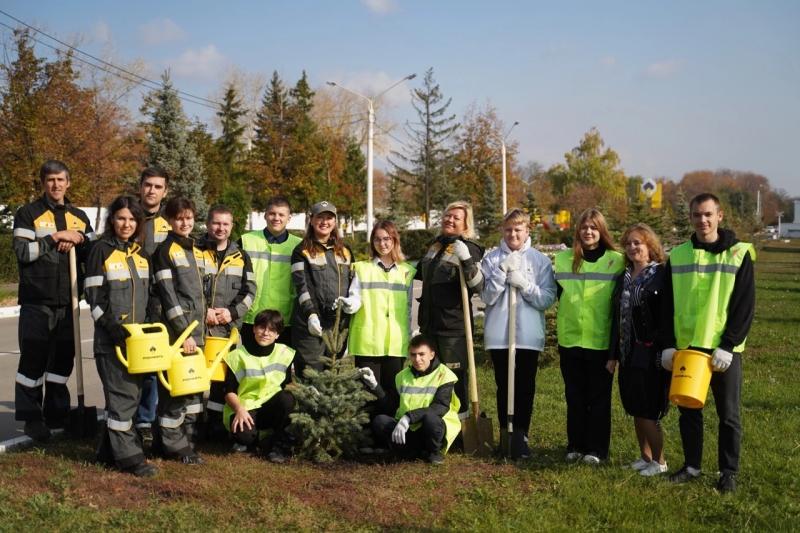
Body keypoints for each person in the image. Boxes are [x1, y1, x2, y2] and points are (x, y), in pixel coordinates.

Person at [660, 193, 755, 493]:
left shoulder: (739, 254)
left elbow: (744, 305)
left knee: (728, 414)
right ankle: (691, 466)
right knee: (689, 411)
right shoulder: (678, 256)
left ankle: (728, 471)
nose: (703, 220)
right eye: (697, 215)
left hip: (723, 350)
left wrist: (729, 344)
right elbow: (666, 304)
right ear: (690, 218)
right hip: (688, 348)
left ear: (719, 216)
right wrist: (667, 344)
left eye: (708, 214)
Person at [12, 160, 95, 442]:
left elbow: (94, 253)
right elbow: (23, 252)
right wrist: (55, 237)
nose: (56, 185)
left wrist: (80, 237)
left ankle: (56, 415)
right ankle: (31, 419)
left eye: (61, 180)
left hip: (68, 302)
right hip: (37, 301)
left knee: (61, 365)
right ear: (43, 183)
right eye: (50, 180)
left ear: (68, 183)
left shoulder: (80, 216)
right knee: (32, 363)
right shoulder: (28, 214)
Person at [85, 196, 157, 477]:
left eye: (132, 219)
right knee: (123, 399)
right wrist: (114, 330)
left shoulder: (141, 255)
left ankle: (106, 453)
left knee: (130, 397)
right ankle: (130, 458)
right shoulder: (100, 251)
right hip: (112, 341)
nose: (126, 224)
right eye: (121, 218)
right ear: (112, 220)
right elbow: (94, 297)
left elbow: (150, 297)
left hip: (139, 343)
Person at [481, 209, 557, 459]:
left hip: (527, 335)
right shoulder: (491, 259)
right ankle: (506, 434)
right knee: (503, 385)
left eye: (518, 230)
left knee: (525, 386)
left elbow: (546, 299)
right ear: (502, 231)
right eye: (508, 229)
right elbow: (487, 297)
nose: (513, 234)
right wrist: (502, 273)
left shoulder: (540, 261)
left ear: (527, 232)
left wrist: (523, 283)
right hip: (500, 335)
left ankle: (521, 434)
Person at [554, 208, 624, 464]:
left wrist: (614, 351)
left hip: (600, 342)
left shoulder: (616, 261)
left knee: (598, 399)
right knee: (574, 396)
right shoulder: (562, 259)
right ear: (578, 231)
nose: (588, 232)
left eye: (594, 227)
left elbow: (619, 308)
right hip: (570, 339)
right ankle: (575, 445)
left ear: (601, 231)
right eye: (584, 227)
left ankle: (597, 450)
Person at [610, 223, 670, 477]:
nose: (633, 247)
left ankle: (660, 461)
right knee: (634, 406)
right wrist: (614, 353)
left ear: (650, 246)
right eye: (629, 243)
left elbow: (667, 315)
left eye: (638, 243)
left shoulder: (660, 275)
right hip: (627, 350)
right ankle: (645, 457)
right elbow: (616, 318)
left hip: (650, 352)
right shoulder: (623, 276)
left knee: (647, 408)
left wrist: (665, 348)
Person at [416, 201, 484, 423]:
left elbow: (478, 286)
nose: (450, 220)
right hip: (429, 325)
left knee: (455, 380)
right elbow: (417, 273)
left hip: (453, 328)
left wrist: (466, 259)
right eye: (447, 215)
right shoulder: (435, 246)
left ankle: (463, 426)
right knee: (431, 377)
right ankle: (436, 424)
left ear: (466, 224)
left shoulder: (470, 248)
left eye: (456, 217)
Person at [151, 196, 208, 464]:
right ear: (169, 221)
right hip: (180, 335)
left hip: (197, 333)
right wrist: (183, 334)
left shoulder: (193, 249)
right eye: (179, 218)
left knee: (194, 389)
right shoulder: (165, 251)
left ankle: (188, 438)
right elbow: (168, 298)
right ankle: (172, 445)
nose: (184, 222)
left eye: (188, 217)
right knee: (177, 391)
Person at [339, 220, 415, 415]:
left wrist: (409, 335)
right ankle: (368, 438)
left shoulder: (407, 271)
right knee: (367, 391)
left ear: (394, 241)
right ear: (372, 243)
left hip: (395, 342)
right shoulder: (362, 269)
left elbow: (407, 308)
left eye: (387, 239)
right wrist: (350, 304)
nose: (382, 244)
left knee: (392, 389)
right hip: (368, 341)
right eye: (378, 240)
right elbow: (355, 297)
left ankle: (388, 434)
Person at [200, 205, 256, 439]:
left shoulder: (242, 256)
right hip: (198, 328)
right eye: (216, 223)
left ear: (232, 226)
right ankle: (192, 426)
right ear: (207, 224)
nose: (220, 228)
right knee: (193, 377)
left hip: (226, 331)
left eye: (225, 224)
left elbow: (250, 291)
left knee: (221, 381)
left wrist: (231, 313)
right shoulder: (194, 251)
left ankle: (215, 426)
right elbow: (186, 288)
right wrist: (203, 312)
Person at [371, 334, 461, 465]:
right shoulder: (401, 376)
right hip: (409, 430)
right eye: (413, 355)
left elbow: (440, 407)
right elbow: (392, 406)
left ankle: (433, 452)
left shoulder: (444, 374)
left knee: (431, 418)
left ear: (432, 355)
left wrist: (408, 417)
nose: (417, 359)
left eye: (421, 354)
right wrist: (376, 387)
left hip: (431, 430)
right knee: (380, 421)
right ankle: (408, 452)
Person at [224, 309, 296, 463]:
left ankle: (278, 445)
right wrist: (239, 410)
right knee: (245, 438)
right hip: (246, 407)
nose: (265, 333)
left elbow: (287, 385)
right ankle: (255, 438)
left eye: (272, 330)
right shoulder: (237, 356)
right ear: (254, 329)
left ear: (277, 335)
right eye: (262, 327)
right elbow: (229, 392)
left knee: (287, 399)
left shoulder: (284, 353)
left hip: (270, 405)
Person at [290, 201, 353, 378]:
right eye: (320, 217)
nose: (324, 222)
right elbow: (301, 286)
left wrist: (353, 303)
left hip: (338, 324)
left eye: (329, 218)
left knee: (333, 374)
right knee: (311, 374)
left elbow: (353, 282)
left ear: (335, 222)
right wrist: (311, 314)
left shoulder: (345, 251)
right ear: (311, 220)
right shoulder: (301, 250)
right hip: (310, 324)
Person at [134, 166, 171, 444]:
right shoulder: (127, 217)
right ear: (140, 187)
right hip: (132, 300)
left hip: (161, 303)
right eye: (148, 185)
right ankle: (139, 419)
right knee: (136, 364)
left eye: (157, 187)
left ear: (165, 191)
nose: (152, 190)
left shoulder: (169, 222)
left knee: (158, 364)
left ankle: (157, 419)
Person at [239, 196, 301, 347]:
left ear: (289, 218)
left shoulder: (298, 245)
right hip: (252, 316)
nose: (276, 218)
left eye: (281, 215)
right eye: (272, 213)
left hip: (284, 318)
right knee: (250, 365)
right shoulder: (246, 240)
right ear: (265, 215)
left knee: (279, 367)